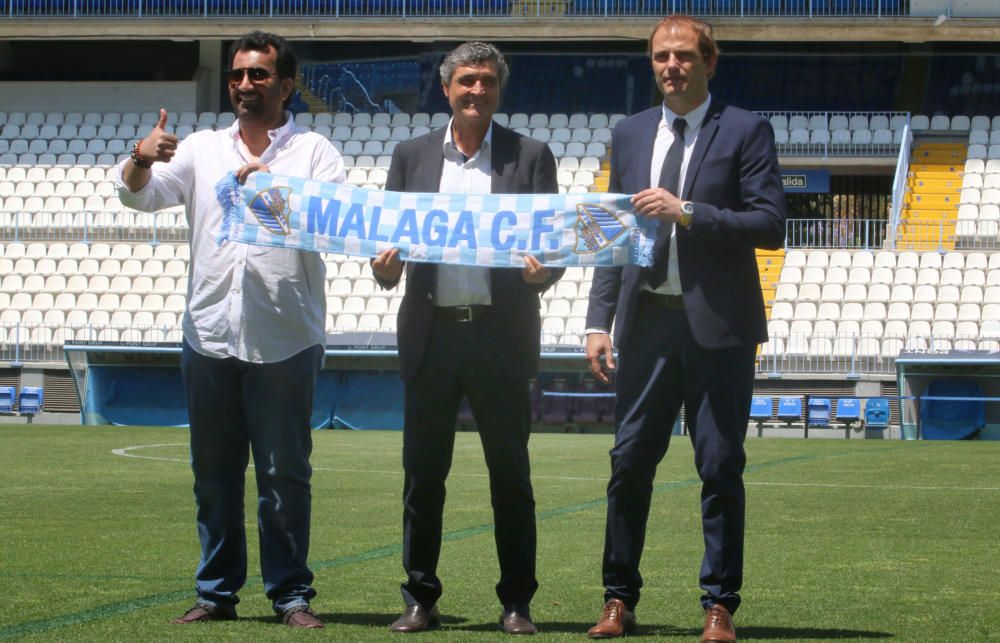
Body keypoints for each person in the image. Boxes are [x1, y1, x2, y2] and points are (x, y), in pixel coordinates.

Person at [116, 31, 345, 629]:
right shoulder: (199, 147)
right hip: (209, 333)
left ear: (286, 84)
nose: (246, 84)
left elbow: (331, 226)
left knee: (284, 477)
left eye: (260, 75)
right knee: (214, 476)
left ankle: (291, 594)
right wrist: (141, 157)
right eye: (239, 75)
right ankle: (216, 592)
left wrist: (271, 194)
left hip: (286, 336)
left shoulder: (316, 151)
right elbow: (140, 198)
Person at [583, 15, 787, 642]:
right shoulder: (631, 131)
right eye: (660, 58)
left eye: (683, 56)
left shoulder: (747, 129)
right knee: (627, 465)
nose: (670, 66)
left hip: (719, 329)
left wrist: (689, 212)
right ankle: (618, 599)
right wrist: (597, 321)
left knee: (721, 466)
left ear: (709, 62)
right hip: (645, 327)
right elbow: (615, 236)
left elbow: (770, 224)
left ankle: (719, 604)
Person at [370, 41, 561, 636]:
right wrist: (383, 268)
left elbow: (552, 247)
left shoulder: (530, 156)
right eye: (466, 81)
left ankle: (517, 602)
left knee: (511, 477)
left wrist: (543, 273)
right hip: (431, 337)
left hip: (500, 338)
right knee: (422, 478)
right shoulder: (411, 155)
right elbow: (387, 255)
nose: (476, 91)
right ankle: (419, 598)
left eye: (487, 82)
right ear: (446, 88)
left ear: (498, 91)